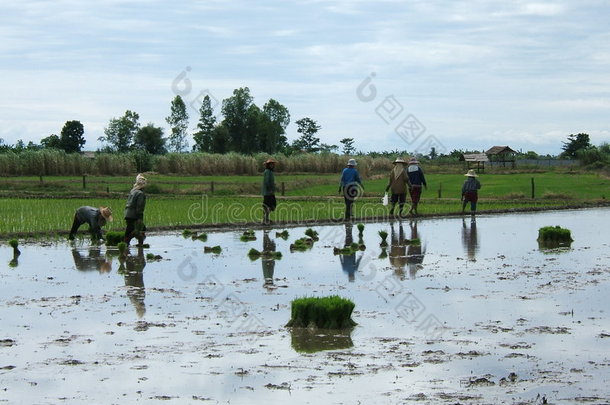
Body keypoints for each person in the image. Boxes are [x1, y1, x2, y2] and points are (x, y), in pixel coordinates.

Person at [124, 173, 147, 245]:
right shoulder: (140, 194)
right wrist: (140, 218)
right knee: (142, 229)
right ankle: (138, 244)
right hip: (134, 215)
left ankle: (126, 244)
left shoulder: (132, 191)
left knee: (130, 229)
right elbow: (139, 206)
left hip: (127, 213)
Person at [261, 158, 278, 225]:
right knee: (271, 205)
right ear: (268, 165)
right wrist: (270, 189)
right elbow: (267, 182)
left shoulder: (270, 172)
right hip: (268, 192)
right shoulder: (267, 172)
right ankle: (265, 219)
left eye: (272, 164)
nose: (272, 165)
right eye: (271, 164)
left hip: (269, 192)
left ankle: (266, 219)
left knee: (267, 206)